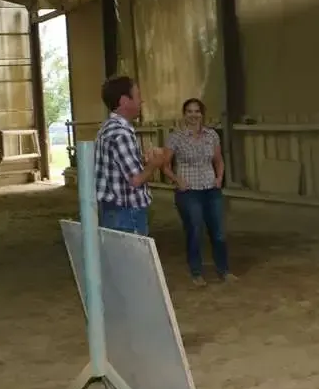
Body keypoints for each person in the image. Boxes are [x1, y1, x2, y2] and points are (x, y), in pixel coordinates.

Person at [162, 98, 234, 286]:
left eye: (197, 111)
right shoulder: (176, 137)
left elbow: (218, 160)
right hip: (189, 192)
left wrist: (219, 178)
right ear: (184, 114)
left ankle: (224, 270)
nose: (193, 115)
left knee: (218, 232)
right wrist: (177, 180)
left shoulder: (212, 135)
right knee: (195, 230)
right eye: (189, 111)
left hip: (211, 189)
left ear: (202, 114)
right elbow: (165, 165)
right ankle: (196, 272)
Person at [94, 75, 168, 236]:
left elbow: (119, 168)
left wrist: (142, 160)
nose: (141, 101)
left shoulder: (108, 128)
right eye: (137, 96)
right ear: (124, 101)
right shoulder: (121, 133)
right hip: (127, 214)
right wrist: (154, 164)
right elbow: (135, 180)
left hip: (114, 211)